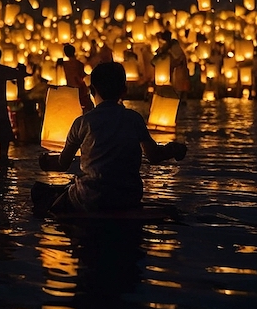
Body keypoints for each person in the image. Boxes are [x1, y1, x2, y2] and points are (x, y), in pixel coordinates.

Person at [33, 62, 187, 215]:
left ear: (92, 90)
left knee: (48, 192)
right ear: (124, 91)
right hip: (128, 196)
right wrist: (173, 149)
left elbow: (62, 164)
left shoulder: (82, 122)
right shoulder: (134, 119)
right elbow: (154, 156)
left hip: (90, 197)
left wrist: (46, 162)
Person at [62, 44, 94, 112]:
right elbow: (82, 76)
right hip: (79, 87)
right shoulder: (79, 64)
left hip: (71, 88)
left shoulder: (65, 65)